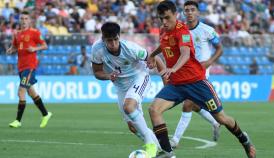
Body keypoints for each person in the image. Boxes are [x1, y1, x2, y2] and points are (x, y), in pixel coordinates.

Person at [147, 1, 256, 158]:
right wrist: (152, 54)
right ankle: (168, 153)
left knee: (222, 118)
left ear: (175, 15)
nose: (164, 22)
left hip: (197, 82)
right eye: (161, 19)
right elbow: (163, 45)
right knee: (154, 110)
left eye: (167, 18)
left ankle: (244, 140)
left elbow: (185, 54)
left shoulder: (182, 31)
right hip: (177, 84)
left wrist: (173, 69)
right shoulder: (163, 31)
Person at [91, 22, 160, 158]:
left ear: (119, 36)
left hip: (139, 77)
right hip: (121, 85)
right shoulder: (97, 49)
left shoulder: (131, 48)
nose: (113, 43)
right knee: (133, 127)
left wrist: (164, 78)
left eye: (115, 39)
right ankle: (162, 149)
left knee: (129, 106)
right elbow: (97, 72)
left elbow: (154, 57)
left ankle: (150, 145)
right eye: (109, 41)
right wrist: (108, 76)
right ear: (103, 39)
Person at [170, 0, 223, 148]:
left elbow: (219, 48)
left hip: (201, 73)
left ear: (198, 12)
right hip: (186, 72)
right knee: (193, 105)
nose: (190, 13)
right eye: (186, 10)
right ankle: (215, 122)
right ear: (183, 13)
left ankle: (175, 140)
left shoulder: (207, 30)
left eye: (192, 10)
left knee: (187, 104)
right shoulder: (181, 30)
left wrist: (209, 61)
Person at [6, 11, 52, 128]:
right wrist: (11, 50)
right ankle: (45, 114)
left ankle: (18, 121)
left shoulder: (35, 32)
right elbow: (15, 46)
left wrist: (35, 48)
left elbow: (45, 45)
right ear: (20, 20)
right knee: (32, 93)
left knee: (21, 91)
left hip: (30, 67)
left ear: (30, 21)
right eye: (22, 18)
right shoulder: (17, 34)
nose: (24, 21)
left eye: (26, 18)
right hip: (21, 67)